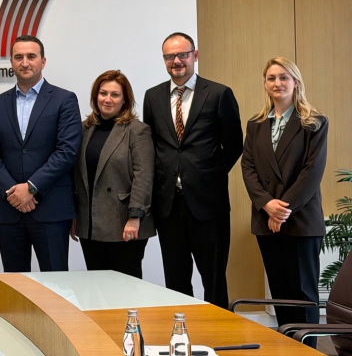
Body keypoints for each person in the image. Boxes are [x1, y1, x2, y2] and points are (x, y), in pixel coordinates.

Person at [143, 32, 242, 308]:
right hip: (168, 206)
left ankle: (218, 332)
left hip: (208, 205)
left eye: (182, 55)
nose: (176, 61)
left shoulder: (219, 94)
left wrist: (207, 175)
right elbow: (151, 145)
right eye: (169, 56)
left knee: (214, 279)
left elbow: (234, 144)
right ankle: (182, 332)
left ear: (194, 55)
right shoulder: (153, 96)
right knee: (176, 280)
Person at [241, 57, 327, 346]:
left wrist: (282, 209)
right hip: (266, 221)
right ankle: (288, 349)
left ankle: (308, 351)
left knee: (303, 296)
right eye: (271, 78)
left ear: (295, 82)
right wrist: (267, 205)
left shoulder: (314, 122)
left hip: (300, 220)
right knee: (280, 295)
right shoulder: (256, 125)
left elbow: (311, 173)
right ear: (265, 84)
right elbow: (248, 168)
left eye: (283, 77)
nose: (277, 83)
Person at [0, 35, 81, 272]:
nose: (25, 62)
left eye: (31, 56)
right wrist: (13, 192)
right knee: (15, 285)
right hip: (10, 209)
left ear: (43, 61)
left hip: (51, 209)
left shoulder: (64, 99)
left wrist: (31, 188)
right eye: (18, 57)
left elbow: (67, 151)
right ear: (11, 62)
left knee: (56, 283)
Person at [70, 70, 155, 279]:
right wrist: (73, 215)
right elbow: (75, 176)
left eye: (115, 94)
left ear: (125, 99)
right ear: (95, 96)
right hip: (90, 224)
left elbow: (144, 176)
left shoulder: (137, 130)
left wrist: (135, 217)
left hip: (124, 223)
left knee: (126, 286)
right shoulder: (83, 129)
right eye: (103, 93)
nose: (107, 99)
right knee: (96, 285)